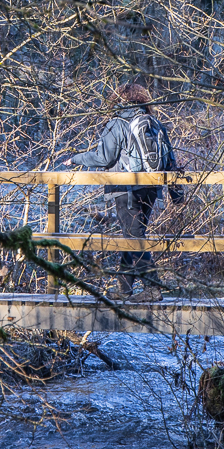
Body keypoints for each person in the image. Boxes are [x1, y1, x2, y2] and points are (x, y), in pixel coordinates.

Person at [62, 84, 181, 296]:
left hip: (125, 189)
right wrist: (176, 192)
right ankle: (124, 289)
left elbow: (103, 157)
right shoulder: (155, 123)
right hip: (152, 187)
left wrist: (76, 159)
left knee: (133, 236)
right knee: (133, 234)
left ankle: (152, 287)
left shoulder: (116, 123)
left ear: (118, 100)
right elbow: (170, 160)